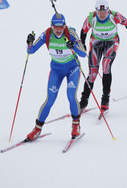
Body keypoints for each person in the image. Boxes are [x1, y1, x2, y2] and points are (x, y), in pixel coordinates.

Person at [25, 13, 87, 141]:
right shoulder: (47, 34)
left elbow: (83, 54)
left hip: (72, 69)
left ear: (64, 26)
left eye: (61, 27)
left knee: (71, 96)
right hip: (56, 70)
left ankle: (76, 125)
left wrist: (73, 45)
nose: (58, 30)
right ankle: (37, 129)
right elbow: (31, 51)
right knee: (50, 100)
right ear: (51, 26)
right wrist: (29, 42)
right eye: (55, 27)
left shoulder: (70, 34)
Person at [79, 0, 127, 112]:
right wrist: (83, 44)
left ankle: (105, 98)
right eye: (99, 12)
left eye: (104, 11)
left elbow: (126, 22)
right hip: (96, 43)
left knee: (106, 66)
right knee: (93, 73)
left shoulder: (114, 15)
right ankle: (84, 100)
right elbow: (83, 31)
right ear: (96, 11)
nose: (102, 14)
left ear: (108, 10)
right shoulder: (91, 18)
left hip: (111, 42)